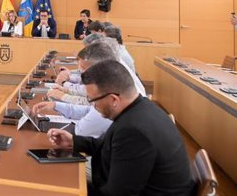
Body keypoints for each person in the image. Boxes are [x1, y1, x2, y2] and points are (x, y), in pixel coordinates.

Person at [47, 60, 194, 196]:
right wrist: (73, 141)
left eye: (92, 100)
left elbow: (117, 193)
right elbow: (105, 145)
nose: (93, 105)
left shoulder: (134, 131)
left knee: (56, 182)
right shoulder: (139, 109)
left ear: (113, 100)